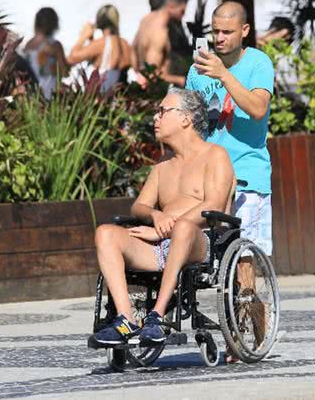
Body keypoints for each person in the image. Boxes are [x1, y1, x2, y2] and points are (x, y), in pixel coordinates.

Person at [90, 88, 235, 346]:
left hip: (199, 241)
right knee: (106, 233)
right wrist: (155, 215)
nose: (155, 118)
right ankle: (126, 319)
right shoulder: (162, 168)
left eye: (162, 111)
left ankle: (157, 316)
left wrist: (165, 229)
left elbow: (214, 203)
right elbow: (139, 207)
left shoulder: (215, 155)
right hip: (160, 245)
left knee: (183, 228)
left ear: (185, 119)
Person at [185, 1, 275, 362]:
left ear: (244, 31)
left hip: (249, 175)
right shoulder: (198, 69)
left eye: (226, 32)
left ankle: (245, 333)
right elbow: (191, 123)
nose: (219, 38)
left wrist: (223, 74)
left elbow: (256, 108)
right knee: (206, 260)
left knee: (243, 263)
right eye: (214, 31)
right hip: (209, 177)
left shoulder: (258, 64)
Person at [67, 4, 133, 93]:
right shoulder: (125, 44)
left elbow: (71, 59)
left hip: (101, 99)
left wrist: (83, 36)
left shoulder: (100, 43)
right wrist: (91, 40)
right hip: (121, 96)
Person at [132, 0, 190, 87]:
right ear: (171, 6)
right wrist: (181, 80)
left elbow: (133, 50)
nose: (183, 16)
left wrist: (138, 73)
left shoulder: (147, 19)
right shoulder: (160, 33)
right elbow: (151, 74)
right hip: (154, 92)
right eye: (182, 11)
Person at [24, 7, 68, 98]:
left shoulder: (28, 45)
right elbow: (64, 72)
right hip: (49, 93)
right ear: (54, 24)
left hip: (31, 94)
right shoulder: (55, 45)